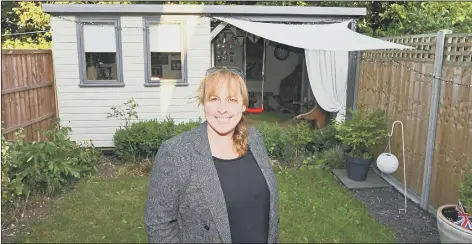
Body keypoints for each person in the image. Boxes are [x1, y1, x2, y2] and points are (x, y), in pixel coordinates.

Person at [144, 66, 280, 243]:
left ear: (243, 104)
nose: (222, 109)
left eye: (231, 99)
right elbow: (158, 224)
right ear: (203, 103)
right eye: (214, 99)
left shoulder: (254, 140)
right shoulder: (176, 153)